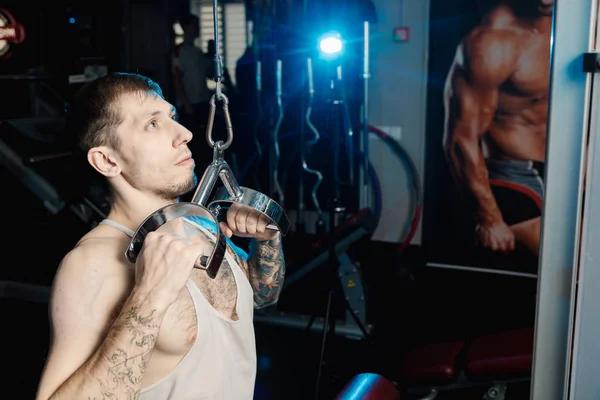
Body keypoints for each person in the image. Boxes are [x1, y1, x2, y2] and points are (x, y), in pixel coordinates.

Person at [35, 72, 286, 400]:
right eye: (152, 124)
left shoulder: (199, 225)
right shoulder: (91, 264)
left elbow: (262, 297)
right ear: (107, 160)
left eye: (173, 117)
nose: (183, 133)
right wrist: (149, 296)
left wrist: (266, 242)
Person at [442, 0, 553, 258]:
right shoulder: (493, 41)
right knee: (568, 268)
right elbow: (461, 140)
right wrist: (489, 218)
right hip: (516, 176)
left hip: (573, 171)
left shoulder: (583, 28)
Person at [172, 13, 211, 132]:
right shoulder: (179, 51)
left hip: (203, 102)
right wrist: (187, 104)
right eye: (195, 25)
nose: (198, 28)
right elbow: (176, 79)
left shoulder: (198, 52)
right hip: (189, 105)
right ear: (185, 27)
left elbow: (207, 74)